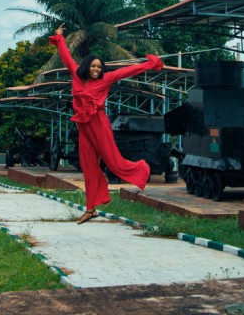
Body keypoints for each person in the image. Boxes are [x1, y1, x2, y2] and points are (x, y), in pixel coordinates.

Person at [49, 23, 164, 224]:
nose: (96, 69)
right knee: (89, 167)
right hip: (83, 126)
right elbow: (66, 56)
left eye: (99, 67)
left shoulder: (106, 79)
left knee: (113, 161)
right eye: (93, 66)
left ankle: (142, 169)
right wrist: (59, 38)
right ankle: (91, 208)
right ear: (87, 66)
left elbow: (129, 71)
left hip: (99, 124)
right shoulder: (76, 75)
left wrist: (150, 64)